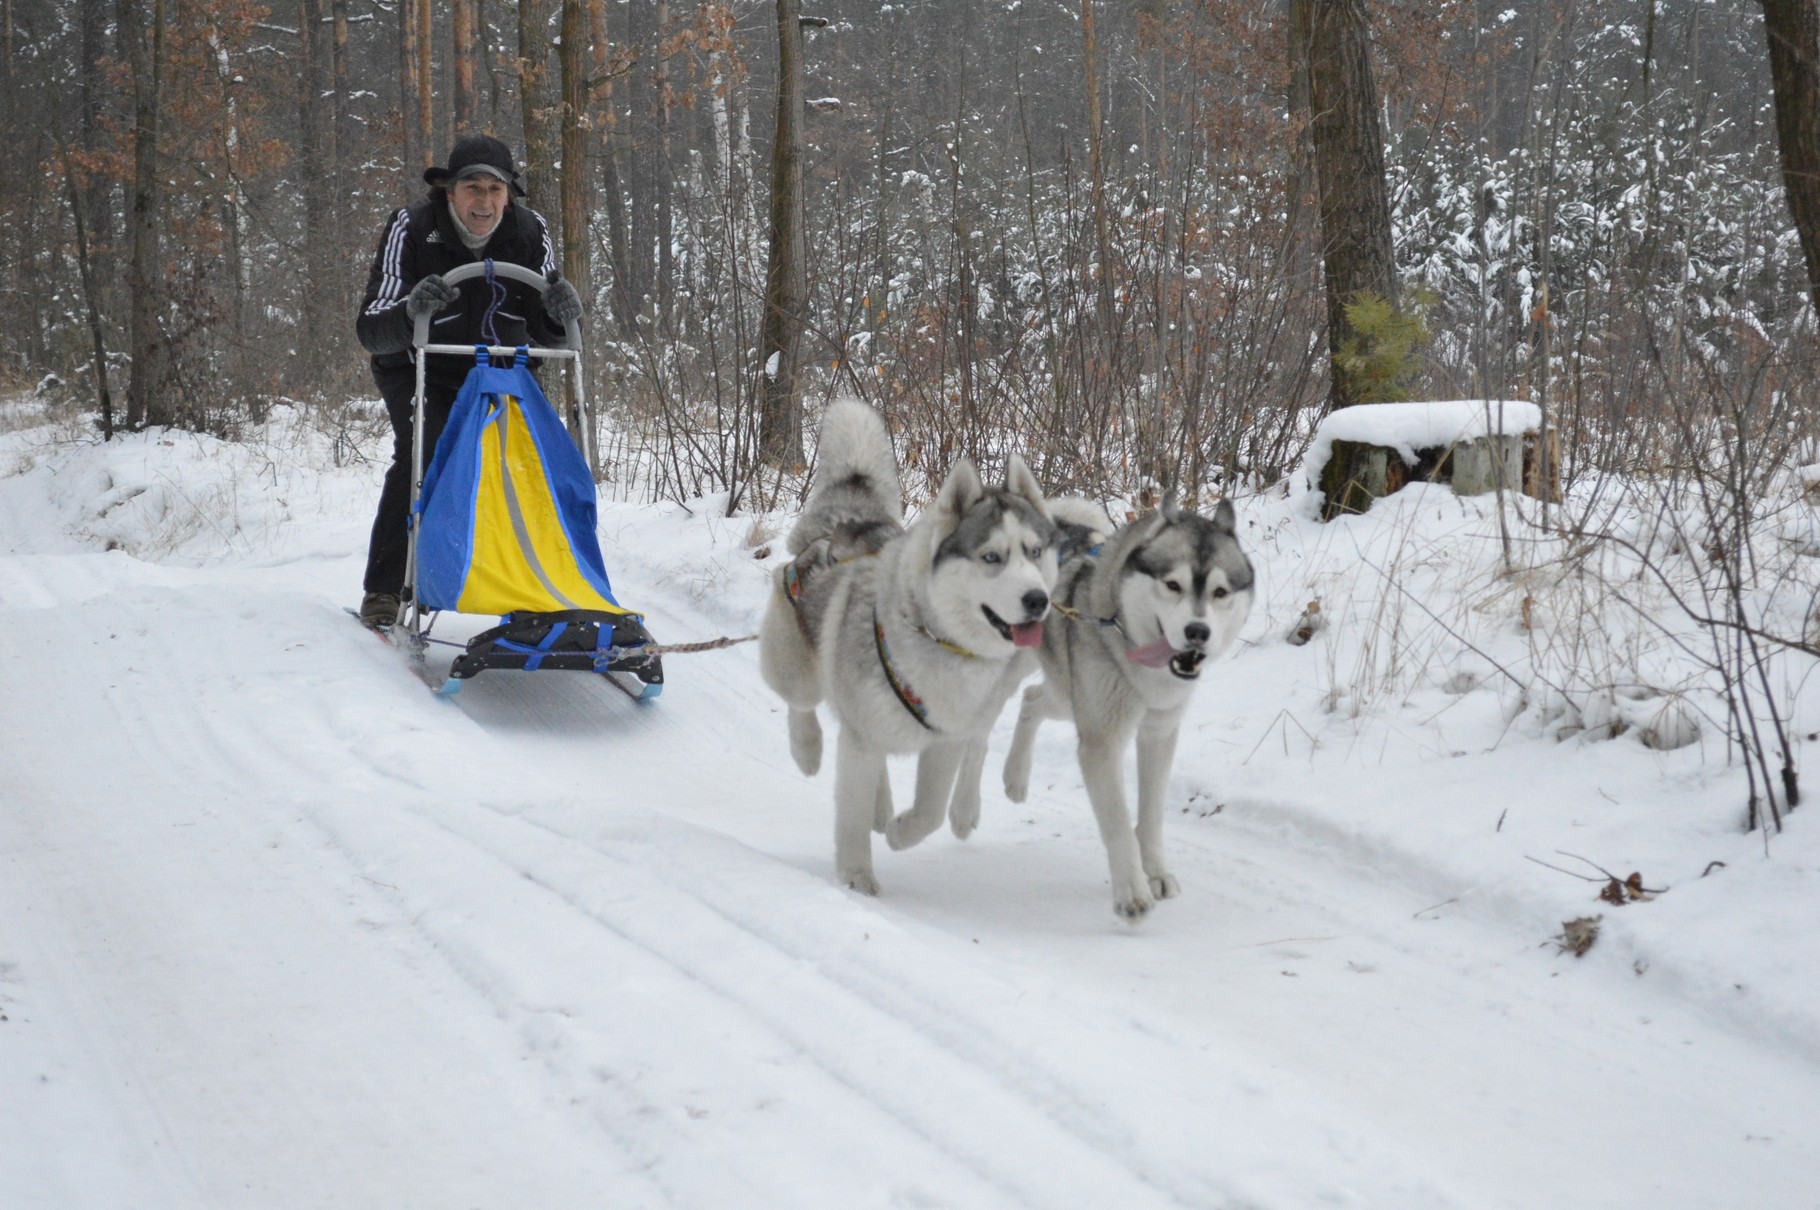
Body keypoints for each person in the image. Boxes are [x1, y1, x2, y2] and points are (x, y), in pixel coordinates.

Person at [353, 133, 584, 627]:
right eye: (472, 188)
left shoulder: (529, 231)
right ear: (450, 192)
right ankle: (386, 587)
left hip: (502, 366)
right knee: (426, 449)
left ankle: (542, 582)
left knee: (537, 460)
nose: (484, 202)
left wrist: (559, 315)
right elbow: (372, 328)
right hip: (421, 366)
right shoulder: (412, 228)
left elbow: (549, 333)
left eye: (495, 190)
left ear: (509, 195)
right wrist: (410, 308)